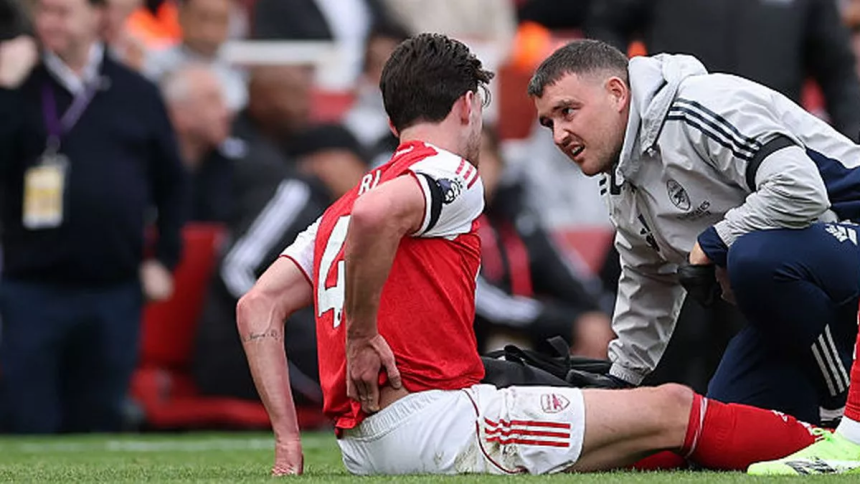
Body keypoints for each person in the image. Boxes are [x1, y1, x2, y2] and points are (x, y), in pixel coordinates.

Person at [238, 33, 827, 476]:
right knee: (673, 405)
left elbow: (258, 305)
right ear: (469, 105)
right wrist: (363, 335)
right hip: (434, 423)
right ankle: (832, 454)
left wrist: (288, 438)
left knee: (621, 429)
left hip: (363, 444)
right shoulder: (450, 172)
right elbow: (379, 217)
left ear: (392, 118)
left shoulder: (342, 206)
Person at [528, 39, 860, 428]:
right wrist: (621, 377)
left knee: (753, 259)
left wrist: (714, 243)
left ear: (617, 93)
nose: (559, 135)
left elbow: (800, 190)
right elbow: (647, 275)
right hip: (799, 288)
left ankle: (840, 412)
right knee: (719, 426)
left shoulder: (699, 104)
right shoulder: (619, 175)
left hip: (845, 226)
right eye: (549, 122)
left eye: (568, 111)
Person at [0, 0, 187, 433]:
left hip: (114, 290)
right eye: (44, 12)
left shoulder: (136, 91)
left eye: (63, 12)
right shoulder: (19, 85)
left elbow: (173, 183)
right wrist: (6, 90)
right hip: (31, 289)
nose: (50, 23)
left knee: (100, 424)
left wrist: (165, 258)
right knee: (27, 423)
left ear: (97, 17)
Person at [585, 0, 860, 141]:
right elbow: (605, 25)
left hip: (775, 150)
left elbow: (837, 71)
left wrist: (853, 142)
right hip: (676, 148)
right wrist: (630, 98)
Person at [474, 123, 614, 358]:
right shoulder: (450, 226)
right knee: (507, 343)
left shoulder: (515, 213)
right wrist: (573, 323)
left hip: (535, 333)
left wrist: (599, 315)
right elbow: (490, 303)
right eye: (465, 157)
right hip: (482, 344)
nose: (475, 167)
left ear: (499, 163)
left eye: (483, 155)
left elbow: (560, 269)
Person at [161, 64, 233, 223]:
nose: (225, 112)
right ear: (178, 113)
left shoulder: (240, 170)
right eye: (212, 100)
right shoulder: (144, 173)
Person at [145, 0, 247, 112]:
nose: (210, 30)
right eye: (203, 18)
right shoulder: (152, 65)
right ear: (181, 16)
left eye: (220, 20)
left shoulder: (239, 69)